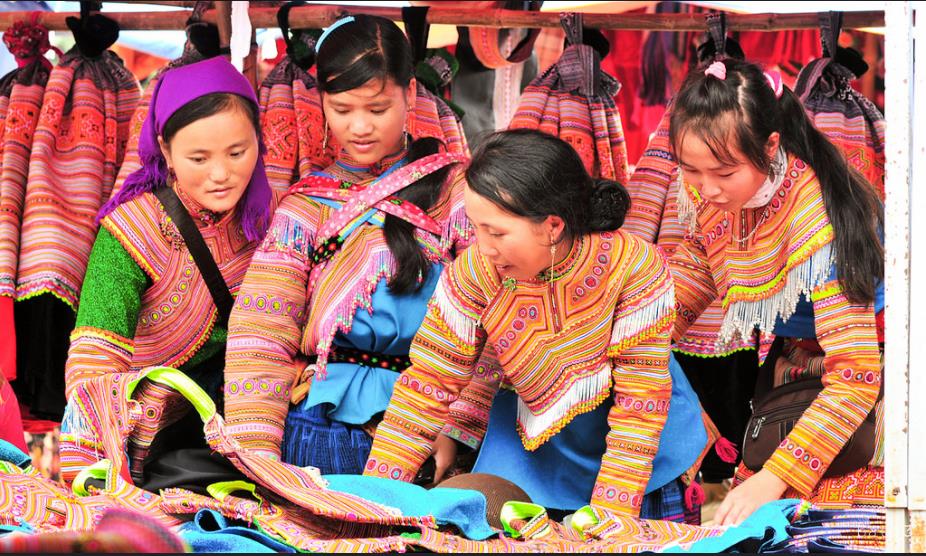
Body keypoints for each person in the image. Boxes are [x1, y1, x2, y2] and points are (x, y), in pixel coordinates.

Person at [363, 128, 712, 522]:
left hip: (638, 456)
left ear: (553, 226)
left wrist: (610, 522)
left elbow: (639, 405)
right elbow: (428, 383)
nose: (484, 246)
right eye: (477, 227)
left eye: (497, 232)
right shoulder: (476, 270)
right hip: (530, 452)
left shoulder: (633, 266)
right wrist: (376, 499)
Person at [222, 15, 471, 473]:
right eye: (341, 109)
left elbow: (491, 313)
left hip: (430, 427)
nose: (359, 127)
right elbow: (263, 328)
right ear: (321, 103)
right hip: (316, 428)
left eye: (377, 109)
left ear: (411, 94)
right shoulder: (305, 206)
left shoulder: (456, 193)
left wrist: (454, 426)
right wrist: (255, 453)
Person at [667, 58, 884, 525]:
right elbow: (682, 293)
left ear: (771, 145)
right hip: (795, 379)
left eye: (724, 174)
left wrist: (776, 477)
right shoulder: (718, 201)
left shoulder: (816, 218)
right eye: (691, 171)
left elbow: (857, 374)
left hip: (870, 391)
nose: (706, 190)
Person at [61, 56, 274, 487]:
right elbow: (94, 360)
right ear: (165, 149)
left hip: (247, 426)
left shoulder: (267, 218)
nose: (221, 174)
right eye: (198, 158)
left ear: (259, 140)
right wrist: (99, 470)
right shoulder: (131, 233)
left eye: (237, 152)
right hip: (147, 440)